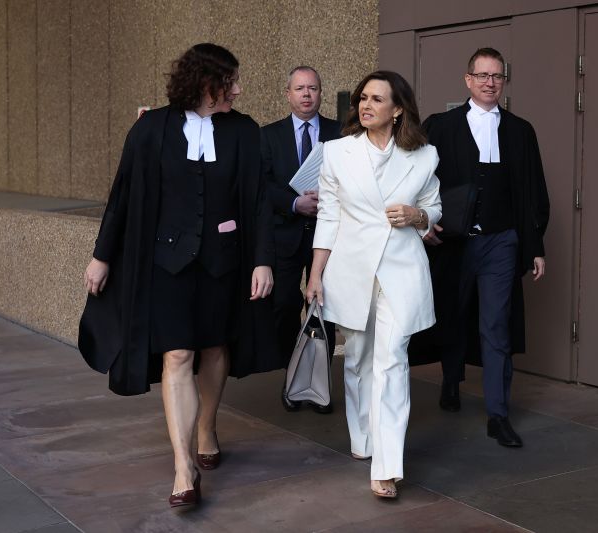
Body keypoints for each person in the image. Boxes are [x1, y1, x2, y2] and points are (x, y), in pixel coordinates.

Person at [77, 43, 278, 508]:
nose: (239, 89)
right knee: (177, 355)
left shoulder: (245, 132)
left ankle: (207, 424)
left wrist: (262, 259)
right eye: (232, 81)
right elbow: (123, 194)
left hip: (224, 263)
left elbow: (258, 201)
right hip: (165, 265)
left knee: (213, 347)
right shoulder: (151, 129)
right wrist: (101, 255)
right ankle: (183, 465)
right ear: (207, 83)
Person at [306, 71, 441, 499]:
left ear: (397, 109)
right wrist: (314, 273)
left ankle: (386, 465)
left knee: (391, 362)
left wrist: (418, 218)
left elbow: (433, 208)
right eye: (362, 98)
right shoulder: (336, 152)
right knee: (359, 358)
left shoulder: (424, 155)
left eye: (377, 99)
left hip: (401, 272)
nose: (365, 106)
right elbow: (328, 215)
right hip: (350, 270)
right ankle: (363, 438)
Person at [415, 47, 550, 448]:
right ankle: (450, 382)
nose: (490, 82)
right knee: (452, 315)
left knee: (496, 325)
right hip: (452, 242)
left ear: (504, 81)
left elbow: (532, 193)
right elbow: (416, 179)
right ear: (468, 80)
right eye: (483, 75)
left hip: (501, 242)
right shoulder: (440, 126)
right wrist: (423, 224)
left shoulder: (520, 131)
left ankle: (498, 414)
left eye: (497, 76)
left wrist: (535, 246)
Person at [260, 66, 342, 414]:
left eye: (313, 88)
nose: (306, 94)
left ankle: (319, 383)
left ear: (321, 93)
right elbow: (262, 186)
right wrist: (295, 202)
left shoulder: (341, 134)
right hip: (286, 235)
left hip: (329, 237)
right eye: (299, 88)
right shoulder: (268, 136)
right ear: (288, 93)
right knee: (282, 308)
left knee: (326, 310)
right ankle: (291, 377)